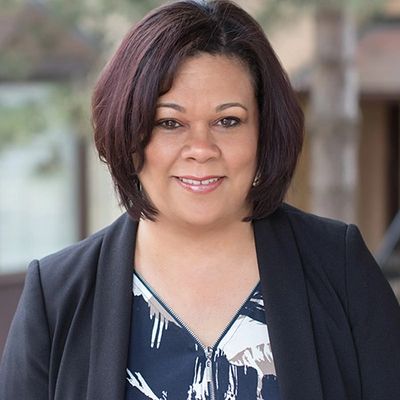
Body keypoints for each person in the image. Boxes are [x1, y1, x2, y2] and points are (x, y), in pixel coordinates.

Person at [1, 0, 400, 399]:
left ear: (265, 130)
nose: (201, 149)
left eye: (228, 121)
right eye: (169, 123)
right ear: (128, 131)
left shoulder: (339, 269)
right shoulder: (56, 297)